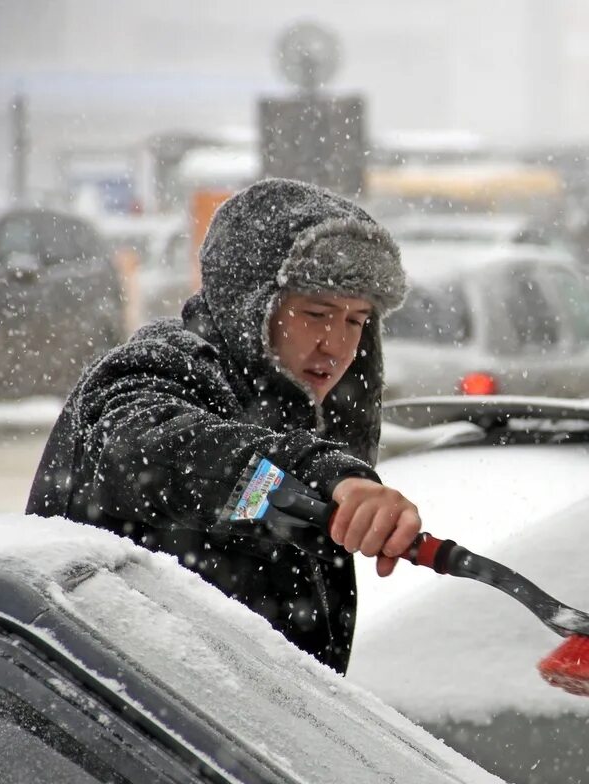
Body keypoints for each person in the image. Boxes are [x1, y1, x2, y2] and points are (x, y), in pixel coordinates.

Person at [27, 178, 420, 674]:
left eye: (356, 320)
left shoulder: (287, 423)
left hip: (214, 737)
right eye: (316, 313)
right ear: (250, 303)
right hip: (99, 731)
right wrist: (323, 475)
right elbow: (167, 457)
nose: (336, 344)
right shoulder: (155, 370)